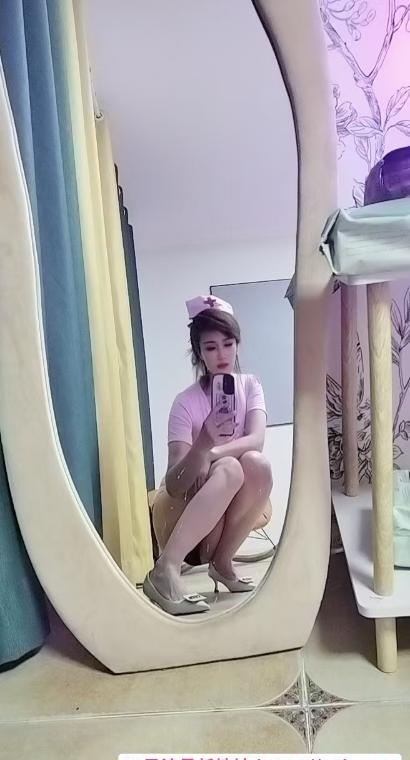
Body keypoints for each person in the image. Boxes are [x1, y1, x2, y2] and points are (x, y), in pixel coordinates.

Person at [143, 295, 273, 615]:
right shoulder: (185, 403)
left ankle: (223, 563)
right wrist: (201, 444)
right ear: (199, 352)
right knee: (231, 466)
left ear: (238, 345)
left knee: (256, 464)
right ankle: (166, 568)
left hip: (224, 511)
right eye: (211, 347)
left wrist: (211, 453)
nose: (222, 355)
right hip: (179, 511)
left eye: (228, 344)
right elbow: (174, 485)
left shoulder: (250, 386)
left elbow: (256, 441)